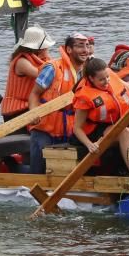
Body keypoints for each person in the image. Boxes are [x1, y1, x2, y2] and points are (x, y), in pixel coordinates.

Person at [28, 32, 92, 175]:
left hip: (69, 129)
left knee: (64, 171)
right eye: (80, 46)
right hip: (45, 129)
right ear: (69, 49)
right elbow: (34, 93)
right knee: (38, 171)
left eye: (87, 46)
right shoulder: (53, 68)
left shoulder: (88, 72)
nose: (85, 50)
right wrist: (33, 112)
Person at [70, 57, 129, 174]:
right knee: (124, 132)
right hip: (95, 132)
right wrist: (89, 145)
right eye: (101, 79)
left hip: (116, 124)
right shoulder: (84, 97)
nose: (107, 81)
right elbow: (77, 128)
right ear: (91, 78)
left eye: (107, 77)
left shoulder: (111, 78)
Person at [1, 25, 54, 123]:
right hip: (17, 110)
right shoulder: (22, 61)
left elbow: (53, 67)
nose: (48, 49)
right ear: (40, 49)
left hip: (29, 106)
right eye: (46, 47)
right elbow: (44, 75)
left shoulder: (42, 59)